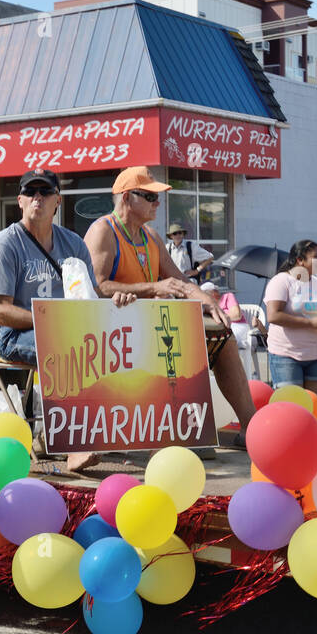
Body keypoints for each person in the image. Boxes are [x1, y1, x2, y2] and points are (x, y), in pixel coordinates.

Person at [84, 165, 257, 448]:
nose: (157, 202)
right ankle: (180, 436)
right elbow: (98, 285)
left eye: (157, 196)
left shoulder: (150, 236)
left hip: (150, 327)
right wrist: (153, 288)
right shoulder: (103, 230)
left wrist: (209, 303)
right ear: (127, 197)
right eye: (150, 197)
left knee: (223, 337)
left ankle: (250, 429)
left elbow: (180, 282)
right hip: (116, 337)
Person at [0, 170, 131, 472]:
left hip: (67, 331)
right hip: (14, 334)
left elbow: (87, 300)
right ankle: (73, 447)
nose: (38, 197)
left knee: (114, 346)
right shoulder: (5, 244)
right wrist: (53, 323)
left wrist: (115, 303)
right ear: (20, 201)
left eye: (45, 192)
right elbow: (0, 313)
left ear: (57, 202)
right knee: (68, 352)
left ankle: (73, 433)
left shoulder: (73, 243)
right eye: (31, 192)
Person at [262, 240, 317, 400]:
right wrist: (311, 323)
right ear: (300, 260)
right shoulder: (281, 281)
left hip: (316, 355)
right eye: (316, 257)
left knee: (316, 407)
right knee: (292, 409)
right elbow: (273, 315)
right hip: (286, 356)